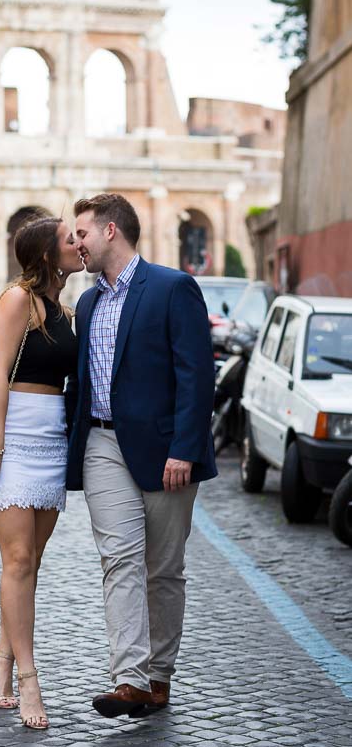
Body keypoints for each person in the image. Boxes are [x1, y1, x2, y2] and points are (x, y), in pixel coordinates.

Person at [66, 193, 217, 719]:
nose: (74, 243)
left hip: (164, 450)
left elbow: (198, 375)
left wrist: (185, 448)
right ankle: (129, 678)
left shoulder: (173, 288)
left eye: (81, 233)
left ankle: (159, 678)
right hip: (103, 444)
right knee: (120, 559)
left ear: (110, 231)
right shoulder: (86, 303)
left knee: (164, 569)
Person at [0, 216, 82, 729]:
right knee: (16, 558)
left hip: (50, 440)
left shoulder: (63, 310)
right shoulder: (16, 299)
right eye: (68, 240)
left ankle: (2, 659)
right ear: (43, 254)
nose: (78, 244)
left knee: (29, 562)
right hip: (10, 438)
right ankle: (29, 679)